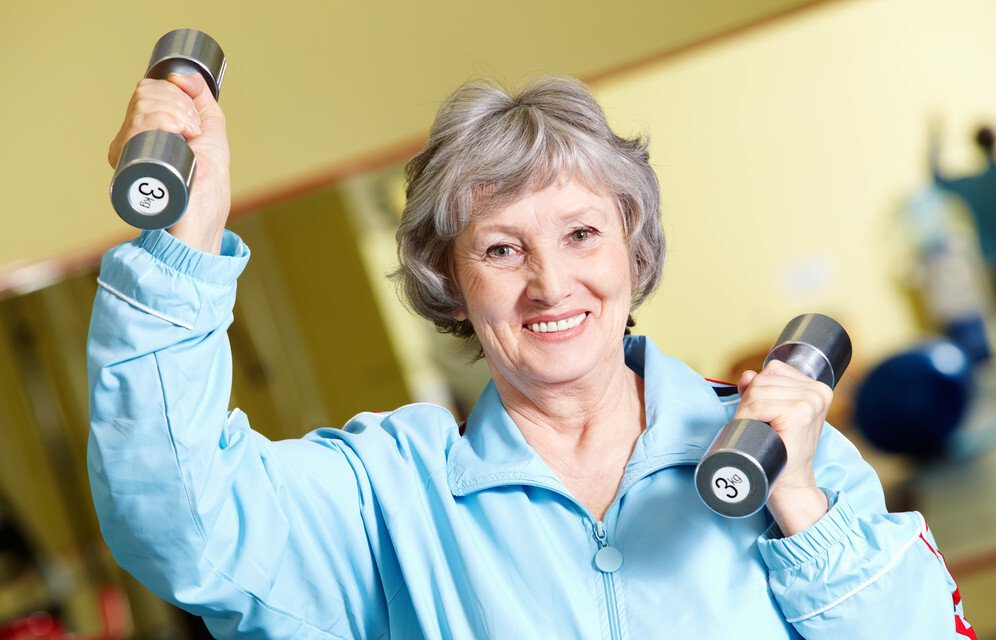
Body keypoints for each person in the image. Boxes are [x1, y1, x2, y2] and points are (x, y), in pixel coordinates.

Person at [89, 72, 975, 639]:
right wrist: (184, 243)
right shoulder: (388, 494)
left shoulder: (785, 455)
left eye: (582, 233)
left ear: (633, 247)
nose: (551, 286)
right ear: (451, 278)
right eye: (502, 250)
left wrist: (801, 507)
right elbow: (182, 526)